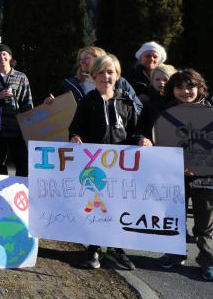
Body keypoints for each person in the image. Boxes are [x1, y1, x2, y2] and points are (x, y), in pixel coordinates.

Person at [69, 54, 142, 270]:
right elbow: (75, 128)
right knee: (96, 206)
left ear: (117, 75)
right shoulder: (87, 101)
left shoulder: (125, 101)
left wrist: (142, 139)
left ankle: (115, 248)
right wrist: (75, 137)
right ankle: (93, 248)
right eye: (101, 72)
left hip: (121, 165)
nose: (106, 76)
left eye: (110, 72)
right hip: (94, 166)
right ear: (93, 76)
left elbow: (135, 130)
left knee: (117, 206)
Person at [147, 69, 213, 279]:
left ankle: (207, 259)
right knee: (174, 216)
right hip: (173, 175)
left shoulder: (210, 111)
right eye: (180, 87)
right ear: (172, 89)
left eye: (190, 86)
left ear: (199, 87)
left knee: (204, 222)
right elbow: (157, 140)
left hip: (205, 177)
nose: (185, 91)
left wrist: (201, 167)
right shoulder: (163, 111)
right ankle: (174, 254)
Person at [0, 44, 33, 176]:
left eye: (4, 54)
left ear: (10, 57)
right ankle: (1, 190)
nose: (1, 57)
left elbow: (27, 102)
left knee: (21, 162)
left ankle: (20, 190)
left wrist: (29, 125)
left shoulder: (21, 77)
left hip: (16, 126)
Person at [54, 46, 142, 114]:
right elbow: (60, 110)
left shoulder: (119, 81)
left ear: (100, 59)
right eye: (80, 59)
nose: (82, 62)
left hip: (118, 133)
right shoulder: (71, 84)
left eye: (86, 58)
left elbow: (138, 107)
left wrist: (121, 115)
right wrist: (52, 103)